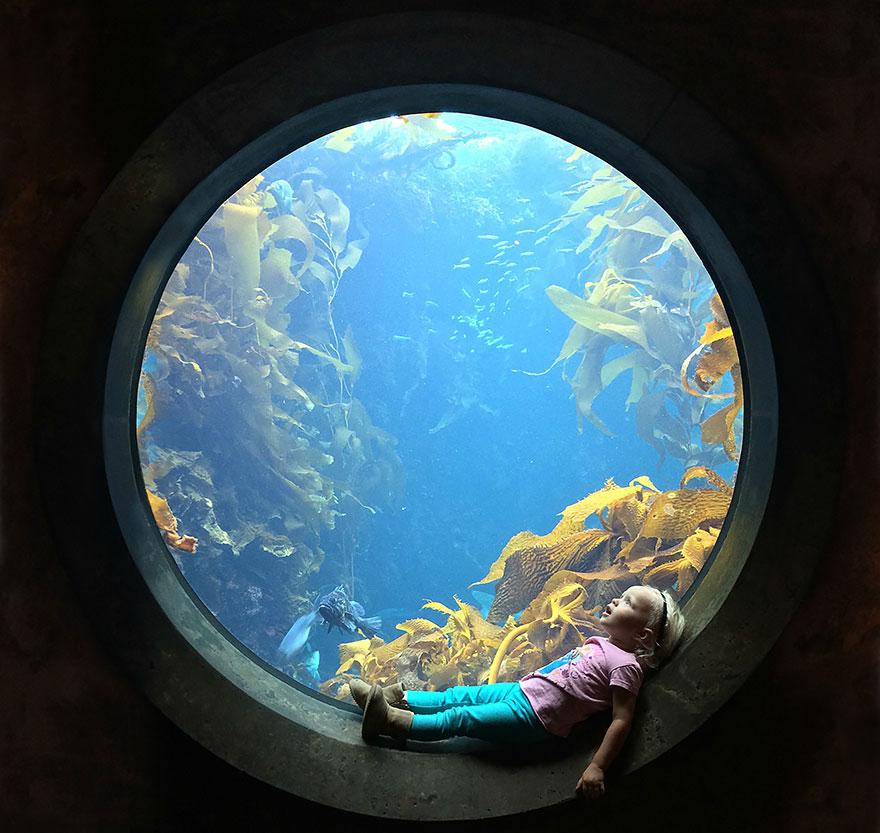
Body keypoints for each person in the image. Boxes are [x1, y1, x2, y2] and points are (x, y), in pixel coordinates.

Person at [349, 584, 685, 799]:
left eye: (627, 602)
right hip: (523, 691)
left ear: (642, 635)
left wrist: (598, 766)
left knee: (461, 718)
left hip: (535, 717)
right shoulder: (601, 643)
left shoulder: (627, 666)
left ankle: (389, 722)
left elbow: (622, 719)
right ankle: (393, 698)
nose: (615, 599)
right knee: (459, 695)